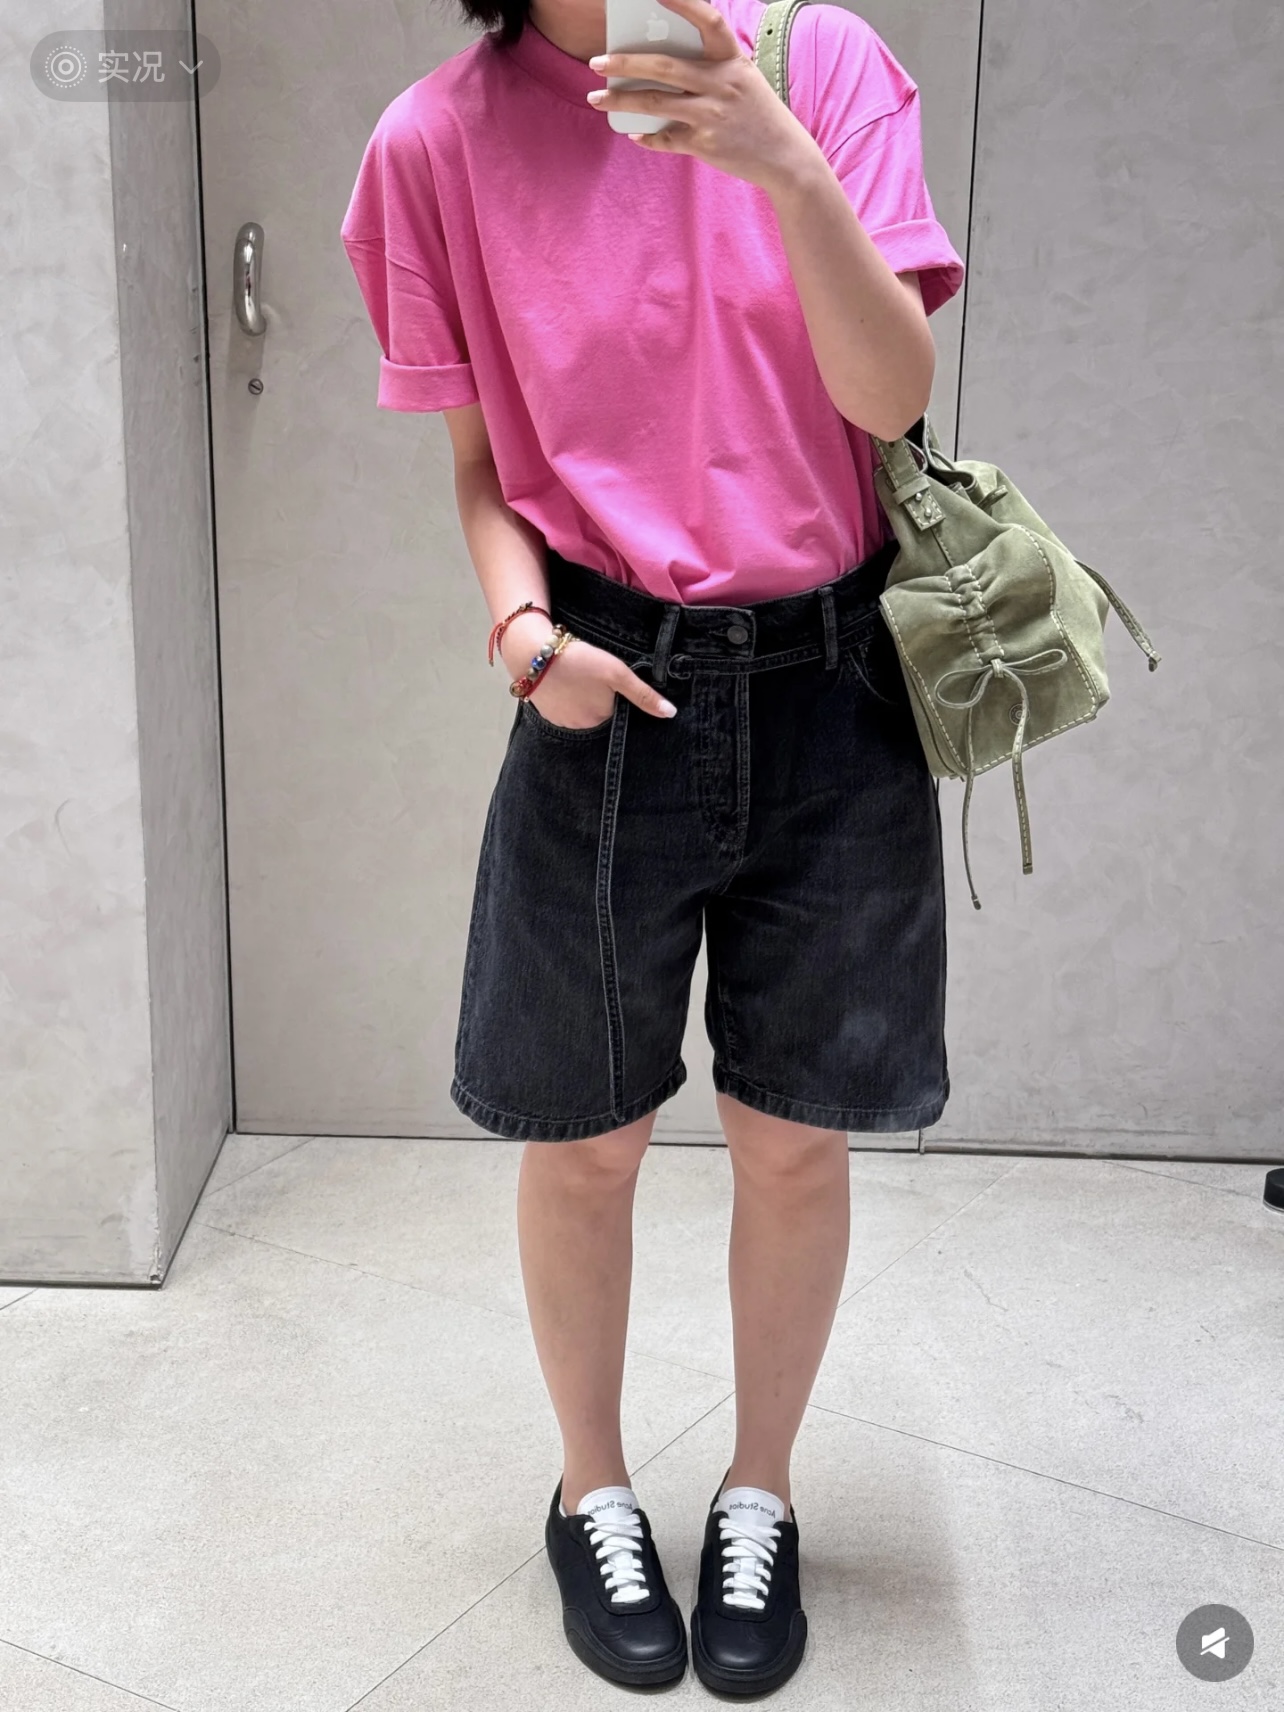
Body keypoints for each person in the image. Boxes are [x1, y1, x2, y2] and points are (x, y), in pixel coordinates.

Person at [341, 0, 963, 1692]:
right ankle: (591, 1490)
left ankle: (761, 1494)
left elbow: (891, 395)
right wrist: (523, 640)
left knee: (795, 1140)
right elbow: (482, 467)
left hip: (835, 682)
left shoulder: (821, 62)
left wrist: (780, 161)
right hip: (602, 684)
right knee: (586, 1138)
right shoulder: (434, 141)